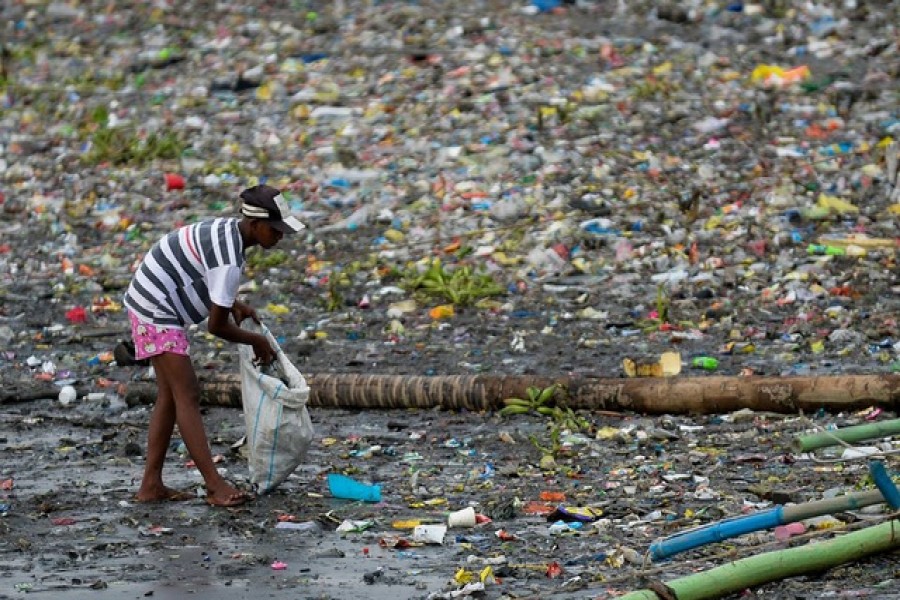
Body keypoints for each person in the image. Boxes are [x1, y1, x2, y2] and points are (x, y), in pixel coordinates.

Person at [122, 184, 305, 506]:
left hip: (151, 300)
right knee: (187, 394)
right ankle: (214, 485)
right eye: (275, 230)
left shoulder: (227, 231)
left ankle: (151, 486)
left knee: (170, 395)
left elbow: (203, 273)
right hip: (155, 309)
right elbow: (216, 327)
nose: (280, 237)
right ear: (254, 225)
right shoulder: (230, 261)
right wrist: (256, 340)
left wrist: (232, 303)